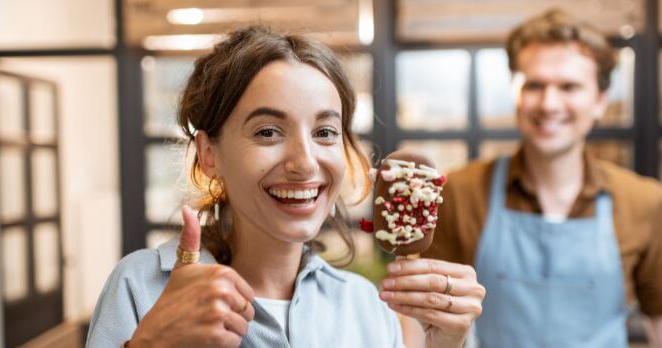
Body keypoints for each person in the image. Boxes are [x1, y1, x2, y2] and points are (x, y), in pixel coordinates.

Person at [86, 26, 485, 348]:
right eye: (268, 132)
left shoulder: (364, 304)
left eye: (325, 131)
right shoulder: (141, 287)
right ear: (210, 155)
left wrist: (443, 345)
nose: (305, 162)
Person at [421, 9, 662, 348]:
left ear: (599, 101)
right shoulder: (460, 192)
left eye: (569, 86)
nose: (550, 104)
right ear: (515, 93)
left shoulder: (642, 200)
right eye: (535, 85)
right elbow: (423, 315)